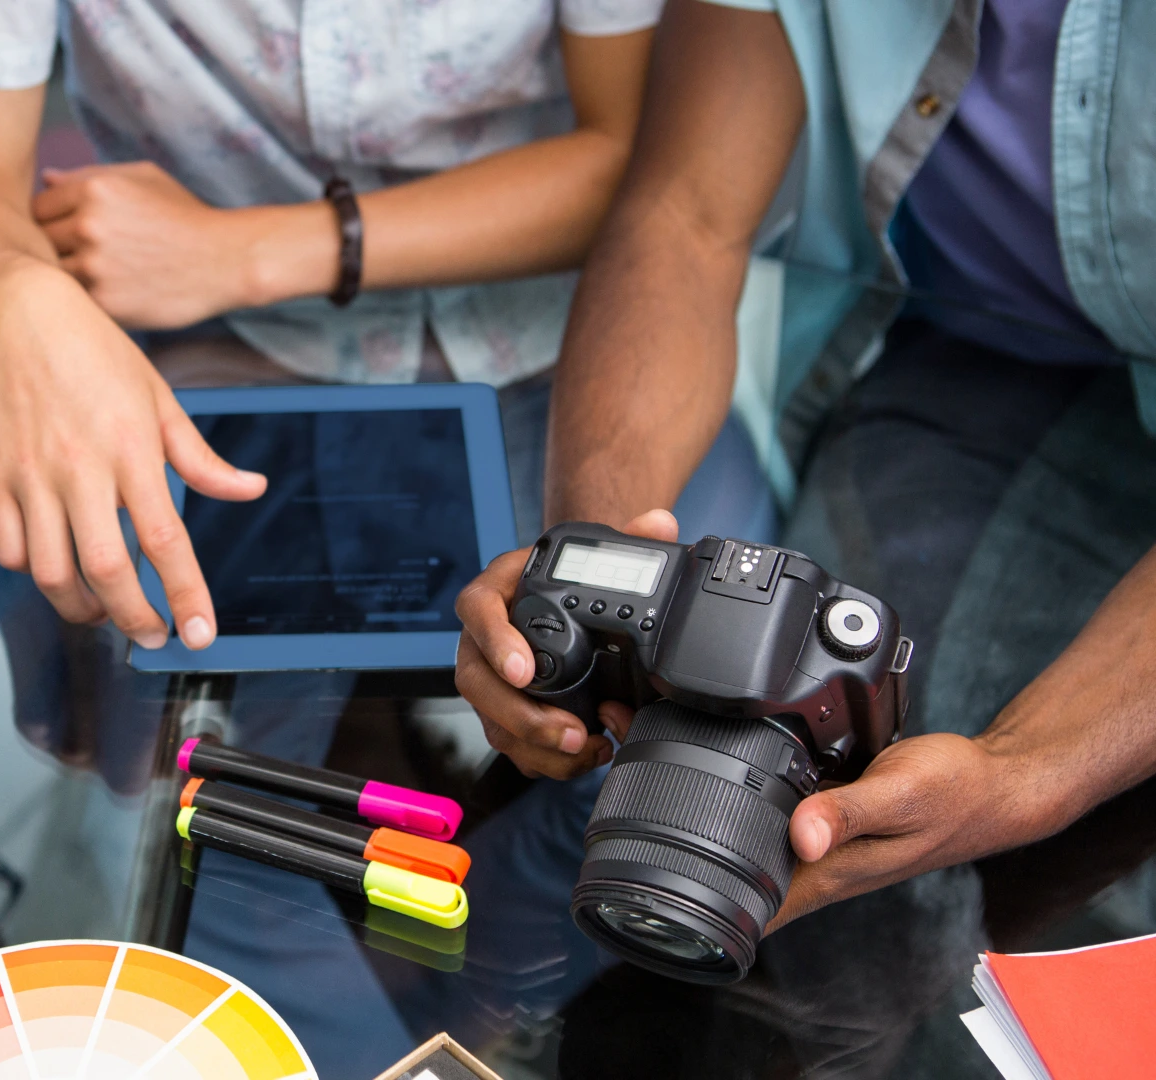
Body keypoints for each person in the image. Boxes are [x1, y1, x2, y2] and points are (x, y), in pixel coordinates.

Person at [453, 0, 1156, 931]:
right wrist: (607, 578)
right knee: (847, 835)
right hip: (939, 351)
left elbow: (1020, 780)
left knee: (985, 904)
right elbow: (686, 216)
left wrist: (1027, 776)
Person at [0, 0, 778, 658]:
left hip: (572, 352)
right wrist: (17, 297)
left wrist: (245, 253)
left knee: (678, 724)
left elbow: (639, 161)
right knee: (192, 781)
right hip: (229, 369)